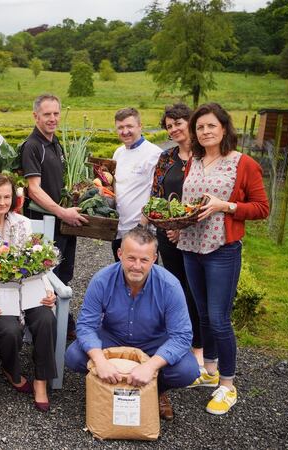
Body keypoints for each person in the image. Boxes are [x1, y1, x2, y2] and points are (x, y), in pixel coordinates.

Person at [177, 103, 269, 415]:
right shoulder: (194, 159)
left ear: (225, 129)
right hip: (192, 246)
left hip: (222, 250)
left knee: (219, 319)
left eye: (211, 126)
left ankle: (228, 386)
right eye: (200, 127)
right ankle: (210, 371)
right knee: (202, 315)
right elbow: (191, 204)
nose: (204, 132)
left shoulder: (242, 164)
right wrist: (178, 224)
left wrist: (225, 206)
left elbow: (261, 207)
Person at [65, 227, 200, 421]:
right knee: (74, 356)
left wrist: (151, 366)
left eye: (144, 260)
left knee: (188, 370)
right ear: (120, 254)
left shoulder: (170, 286)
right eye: (131, 258)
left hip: (153, 343)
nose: (137, 266)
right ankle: (106, 386)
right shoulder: (102, 280)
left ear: (154, 258)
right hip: (113, 339)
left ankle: (155, 390)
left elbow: (182, 336)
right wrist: (100, 361)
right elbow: (86, 326)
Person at [0, 174, 57, 412]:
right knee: (9, 329)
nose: (2, 202)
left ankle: (40, 381)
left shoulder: (22, 224)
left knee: (46, 319)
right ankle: (11, 370)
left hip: (28, 289)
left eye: (7, 197)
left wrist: (47, 291)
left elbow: (36, 263)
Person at [21, 93, 84, 338]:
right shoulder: (33, 146)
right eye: (47, 114)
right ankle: (49, 326)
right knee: (47, 274)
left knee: (65, 271)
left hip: (63, 221)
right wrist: (61, 212)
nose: (52, 119)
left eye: (56, 113)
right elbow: (33, 189)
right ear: (36, 116)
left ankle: (63, 321)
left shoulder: (55, 143)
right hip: (46, 223)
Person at [149, 103, 203, 367]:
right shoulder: (166, 158)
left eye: (178, 123)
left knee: (196, 291)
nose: (173, 129)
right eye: (169, 126)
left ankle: (200, 346)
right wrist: (169, 228)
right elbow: (156, 197)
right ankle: (177, 340)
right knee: (176, 289)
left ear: (190, 121)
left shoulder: (205, 157)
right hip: (168, 236)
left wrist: (184, 229)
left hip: (198, 236)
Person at [111, 107, 163, 261]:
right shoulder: (118, 153)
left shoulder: (154, 154)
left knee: (142, 276)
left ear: (140, 126)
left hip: (142, 231)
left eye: (129, 126)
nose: (125, 131)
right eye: (120, 127)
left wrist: (142, 224)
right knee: (121, 274)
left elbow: (158, 194)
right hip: (119, 229)